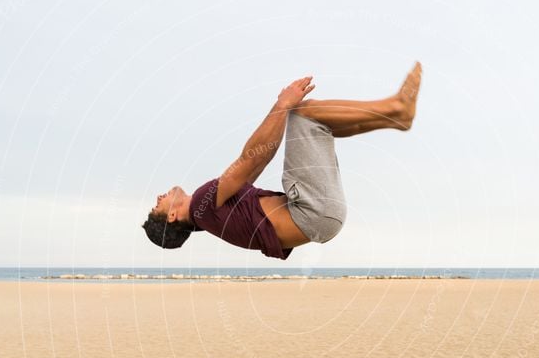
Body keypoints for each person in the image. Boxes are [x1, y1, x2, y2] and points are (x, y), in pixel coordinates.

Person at [142, 62, 422, 259]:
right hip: (312, 211)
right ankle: (395, 107)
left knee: (317, 122)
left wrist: (283, 108)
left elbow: (260, 158)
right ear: (172, 215)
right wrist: (282, 105)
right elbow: (250, 160)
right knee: (303, 115)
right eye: (158, 205)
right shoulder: (203, 204)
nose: (158, 197)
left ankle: (395, 118)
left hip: (321, 220)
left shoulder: (214, 217)